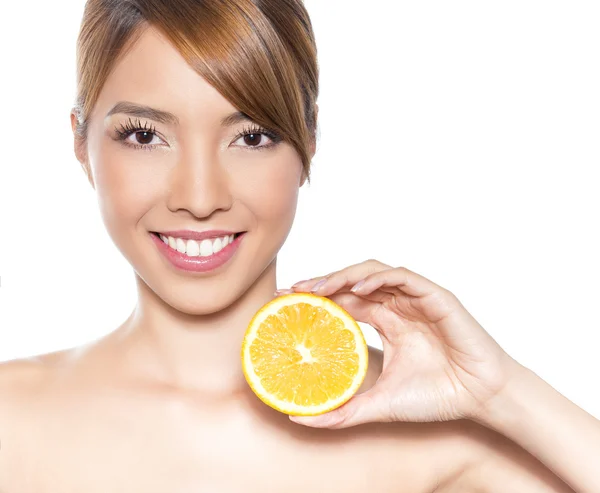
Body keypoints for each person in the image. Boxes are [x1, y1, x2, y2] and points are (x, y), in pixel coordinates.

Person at [0, 1, 598, 491]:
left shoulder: (441, 444)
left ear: (309, 140)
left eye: (252, 135)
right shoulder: (12, 421)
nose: (200, 195)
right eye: (145, 135)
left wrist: (501, 391)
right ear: (81, 143)